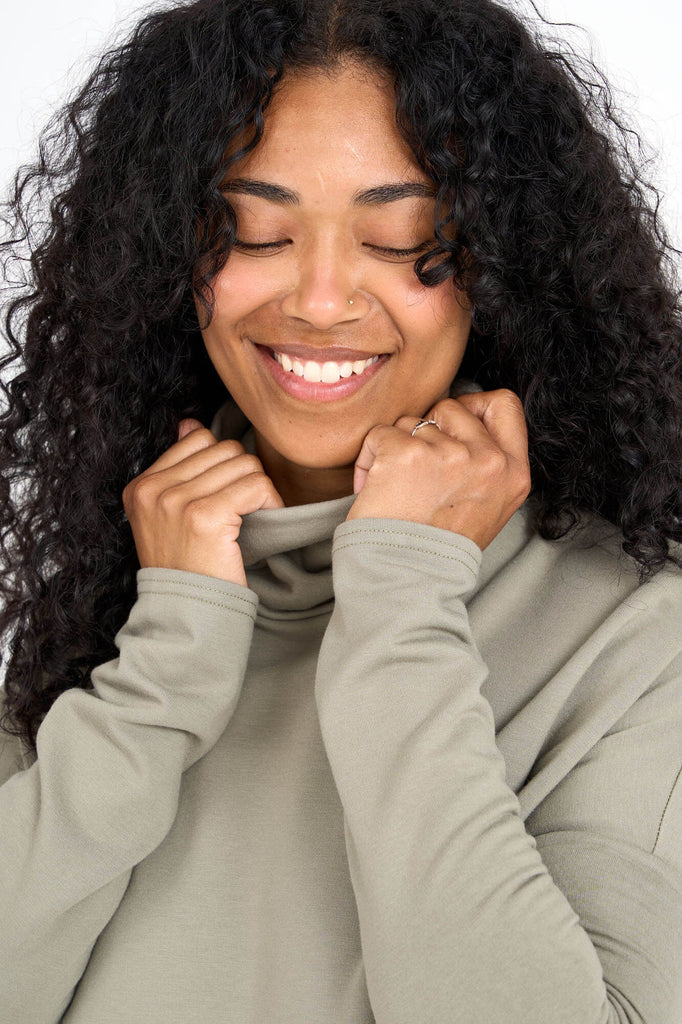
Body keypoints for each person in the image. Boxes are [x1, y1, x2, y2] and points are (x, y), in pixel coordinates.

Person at [0, 0, 680, 1021]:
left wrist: (402, 599)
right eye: (254, 231)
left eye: (405, 241)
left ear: (502, 266)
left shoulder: (631, 631)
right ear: (169, 256)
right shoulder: (106, 600)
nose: (320, 299)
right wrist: (164, 670)